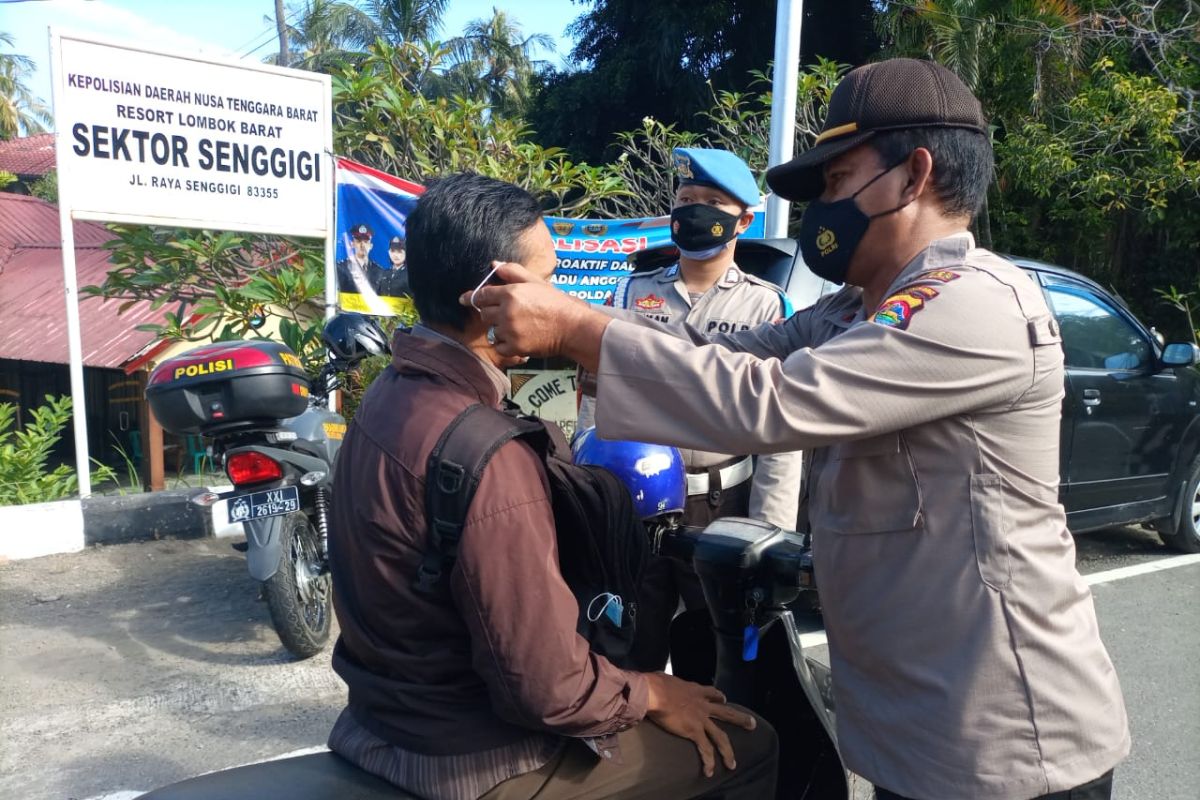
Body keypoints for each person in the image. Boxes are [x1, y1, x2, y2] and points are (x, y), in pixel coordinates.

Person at [465, 58, 1130, 800]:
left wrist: (581, 330)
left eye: (837, 182)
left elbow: (772, 400)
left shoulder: (972, 305)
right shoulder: (854, 309)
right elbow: (720, 355)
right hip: (920, 726)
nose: (823, 208)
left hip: (1007, 738)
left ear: (913, 176)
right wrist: (575, 333)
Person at [325, 172, 778, 800]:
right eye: (550, 281)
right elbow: (548, 687)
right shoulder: (489, 454)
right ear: (494, 296)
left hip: (384, 721)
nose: (564, 301)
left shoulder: (385, 400)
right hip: (476, 756)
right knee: (752, 745)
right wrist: (651, 691)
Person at [578, 147, 803, 679]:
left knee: (723, 658)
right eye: (685, 200)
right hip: (640, 502)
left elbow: (782, 430)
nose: (694, 211)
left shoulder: (766, 307)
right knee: (628, 647)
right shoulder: (632, 292)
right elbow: (596, 401)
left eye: (711, 202)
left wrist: (769, 531)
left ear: (744, 220)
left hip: (725, 504)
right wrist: (592, 494)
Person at [335, 222, 393, 315]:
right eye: (358, 241)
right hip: (348, 318)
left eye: (366, 241)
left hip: (372, 321)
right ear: (352, 244)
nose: (362, 245)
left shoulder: (379, 271)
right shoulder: (340, 268)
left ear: (371, 246)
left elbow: (383, 300)